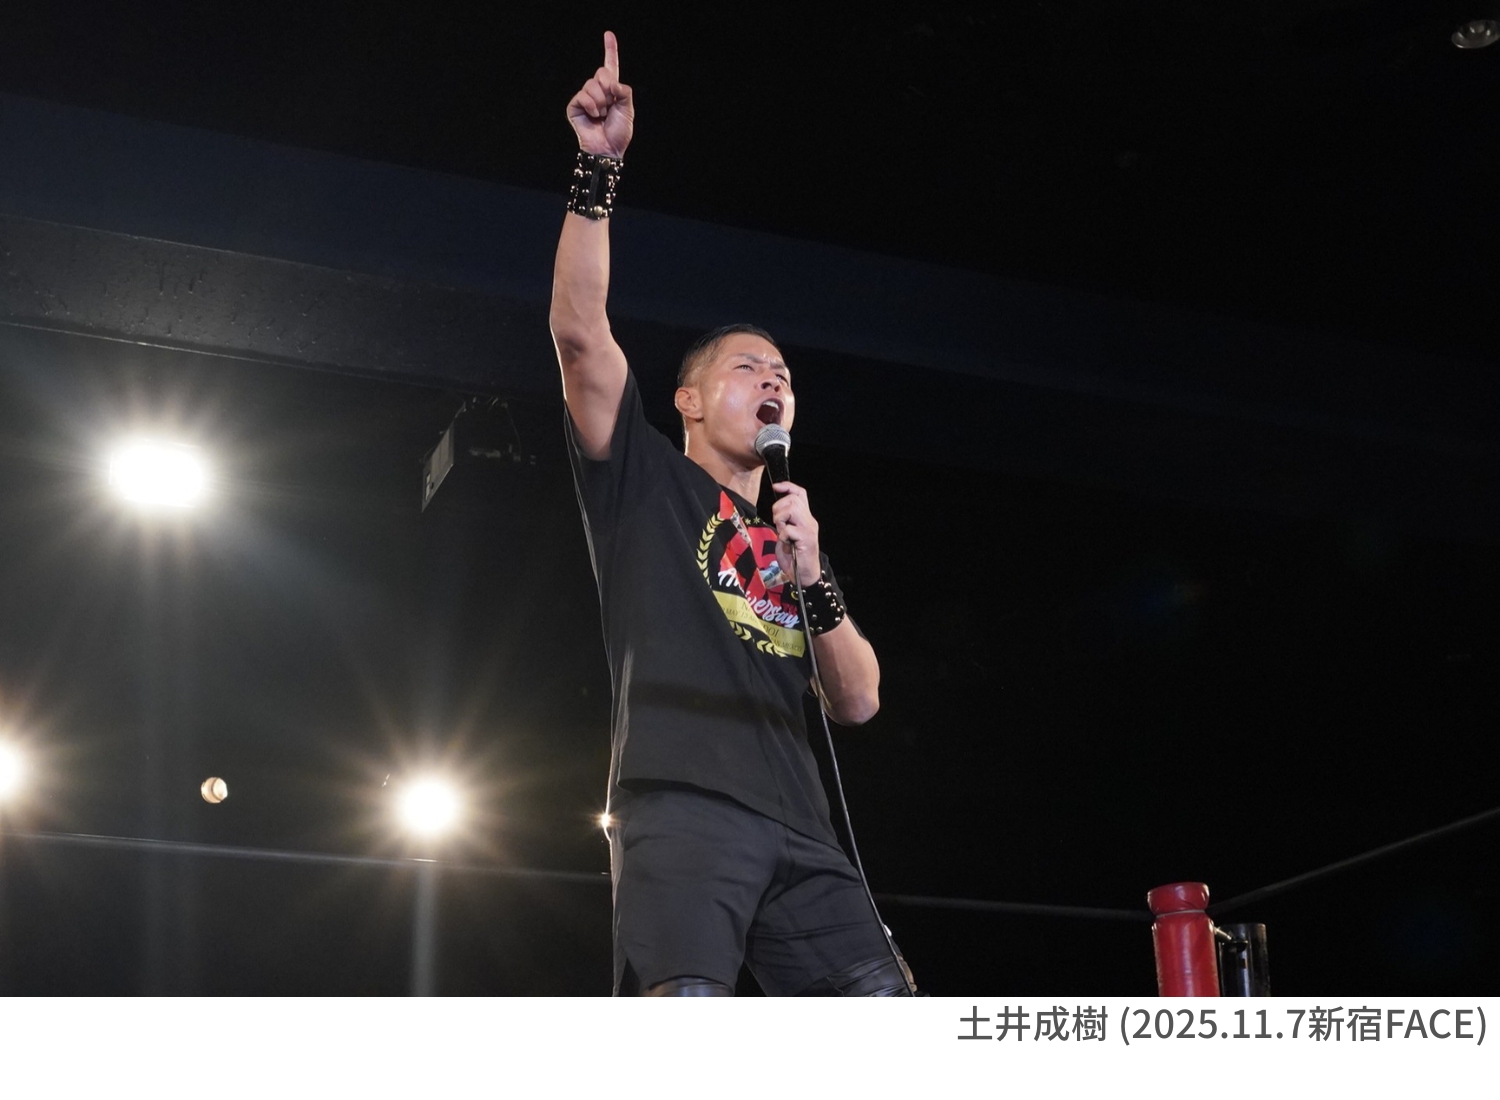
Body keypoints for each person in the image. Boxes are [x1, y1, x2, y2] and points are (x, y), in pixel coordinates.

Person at [551, 31, 915, 996]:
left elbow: (860, 700)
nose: (774, 381)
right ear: (690, 400)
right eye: (749, 368)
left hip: (806, 832)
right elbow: (581, 337)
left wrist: (815, 578)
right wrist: (597, 173)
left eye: (784, 374)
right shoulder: (643, 478)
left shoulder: (794, 540)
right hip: (684, 803)